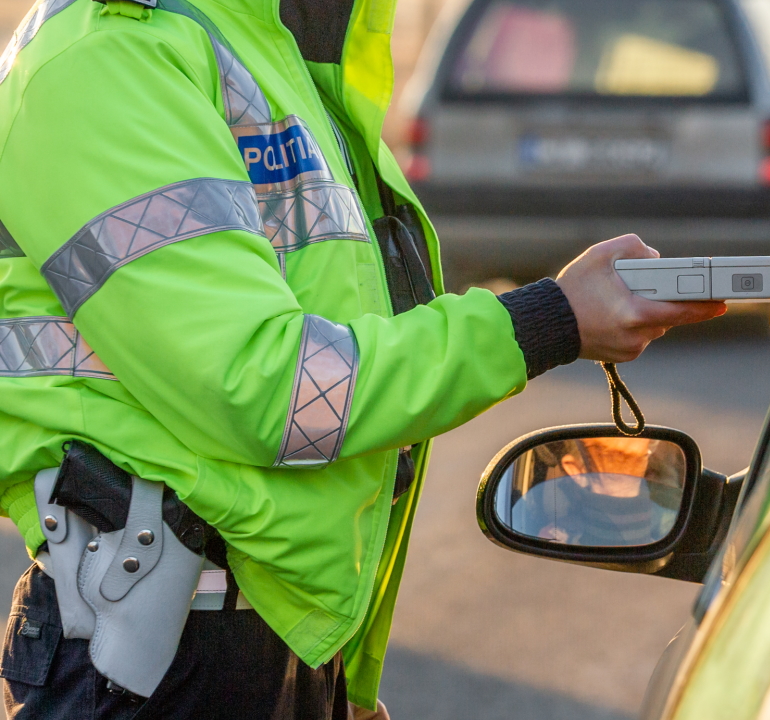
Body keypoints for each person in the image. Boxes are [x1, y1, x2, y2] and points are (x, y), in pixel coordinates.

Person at [0, 0, 728, 714]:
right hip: (147, 659)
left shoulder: (261, 44)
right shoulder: (113, 52)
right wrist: (550, 321)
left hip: (259, 644)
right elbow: (269, 391)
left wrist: (339, 683)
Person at [511, 437, 681, 546]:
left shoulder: (669, 518)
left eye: (647, 471)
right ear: (577, 471)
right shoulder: (553, 535)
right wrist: (615, 487)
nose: (639, 476)